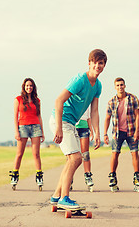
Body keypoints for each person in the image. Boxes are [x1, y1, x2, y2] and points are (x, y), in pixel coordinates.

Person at [49, 49, 107, 208]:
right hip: (61, 120)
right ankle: (64, 198)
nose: (97, 65)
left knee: (72, 160)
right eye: (94, 62)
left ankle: (56, 196)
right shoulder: (80, 80)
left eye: (100, 63)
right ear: (89, 63)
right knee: (76, 158)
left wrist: (97, 133)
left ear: (104, 66)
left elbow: (94, 111)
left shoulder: (98, 86)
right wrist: (59, 128)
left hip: (71, 123)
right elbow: (59, 100)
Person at [104, 77, 139, 192]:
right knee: (115, 153)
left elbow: (137, 116)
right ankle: (112, 176)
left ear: (125, 86)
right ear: (115, 87)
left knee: (134, 153)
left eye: (122, 85)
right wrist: (105, 133)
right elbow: (107, 118)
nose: (120, 87)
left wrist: (137, 131)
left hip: (131, 131)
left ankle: (137, 176)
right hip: (117, 132)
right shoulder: (111, 102)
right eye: (118, 85)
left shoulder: (133, 99)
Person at [9, 78, 45, 191]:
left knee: (36, 154)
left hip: (35, 127)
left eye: (31, 86)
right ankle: (15, 175)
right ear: (24, 87)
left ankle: (39, 176)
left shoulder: (37, 100)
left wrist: (42, 132)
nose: (29, 87)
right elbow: (15, 116)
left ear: (33, 87)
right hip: (22, 127)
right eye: (27, 86)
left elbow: (39, 116)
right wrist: (16, 131)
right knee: (19, 154)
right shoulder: (18, 99)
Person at [75, 106, 94, 192]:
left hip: (84, 127)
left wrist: (92, 131)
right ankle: (69, 178)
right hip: (73, 126)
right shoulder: (71, 96)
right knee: (71, 155)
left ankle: (88, 175)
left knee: (85, 154)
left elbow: (89, 117)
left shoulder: (87, 100)